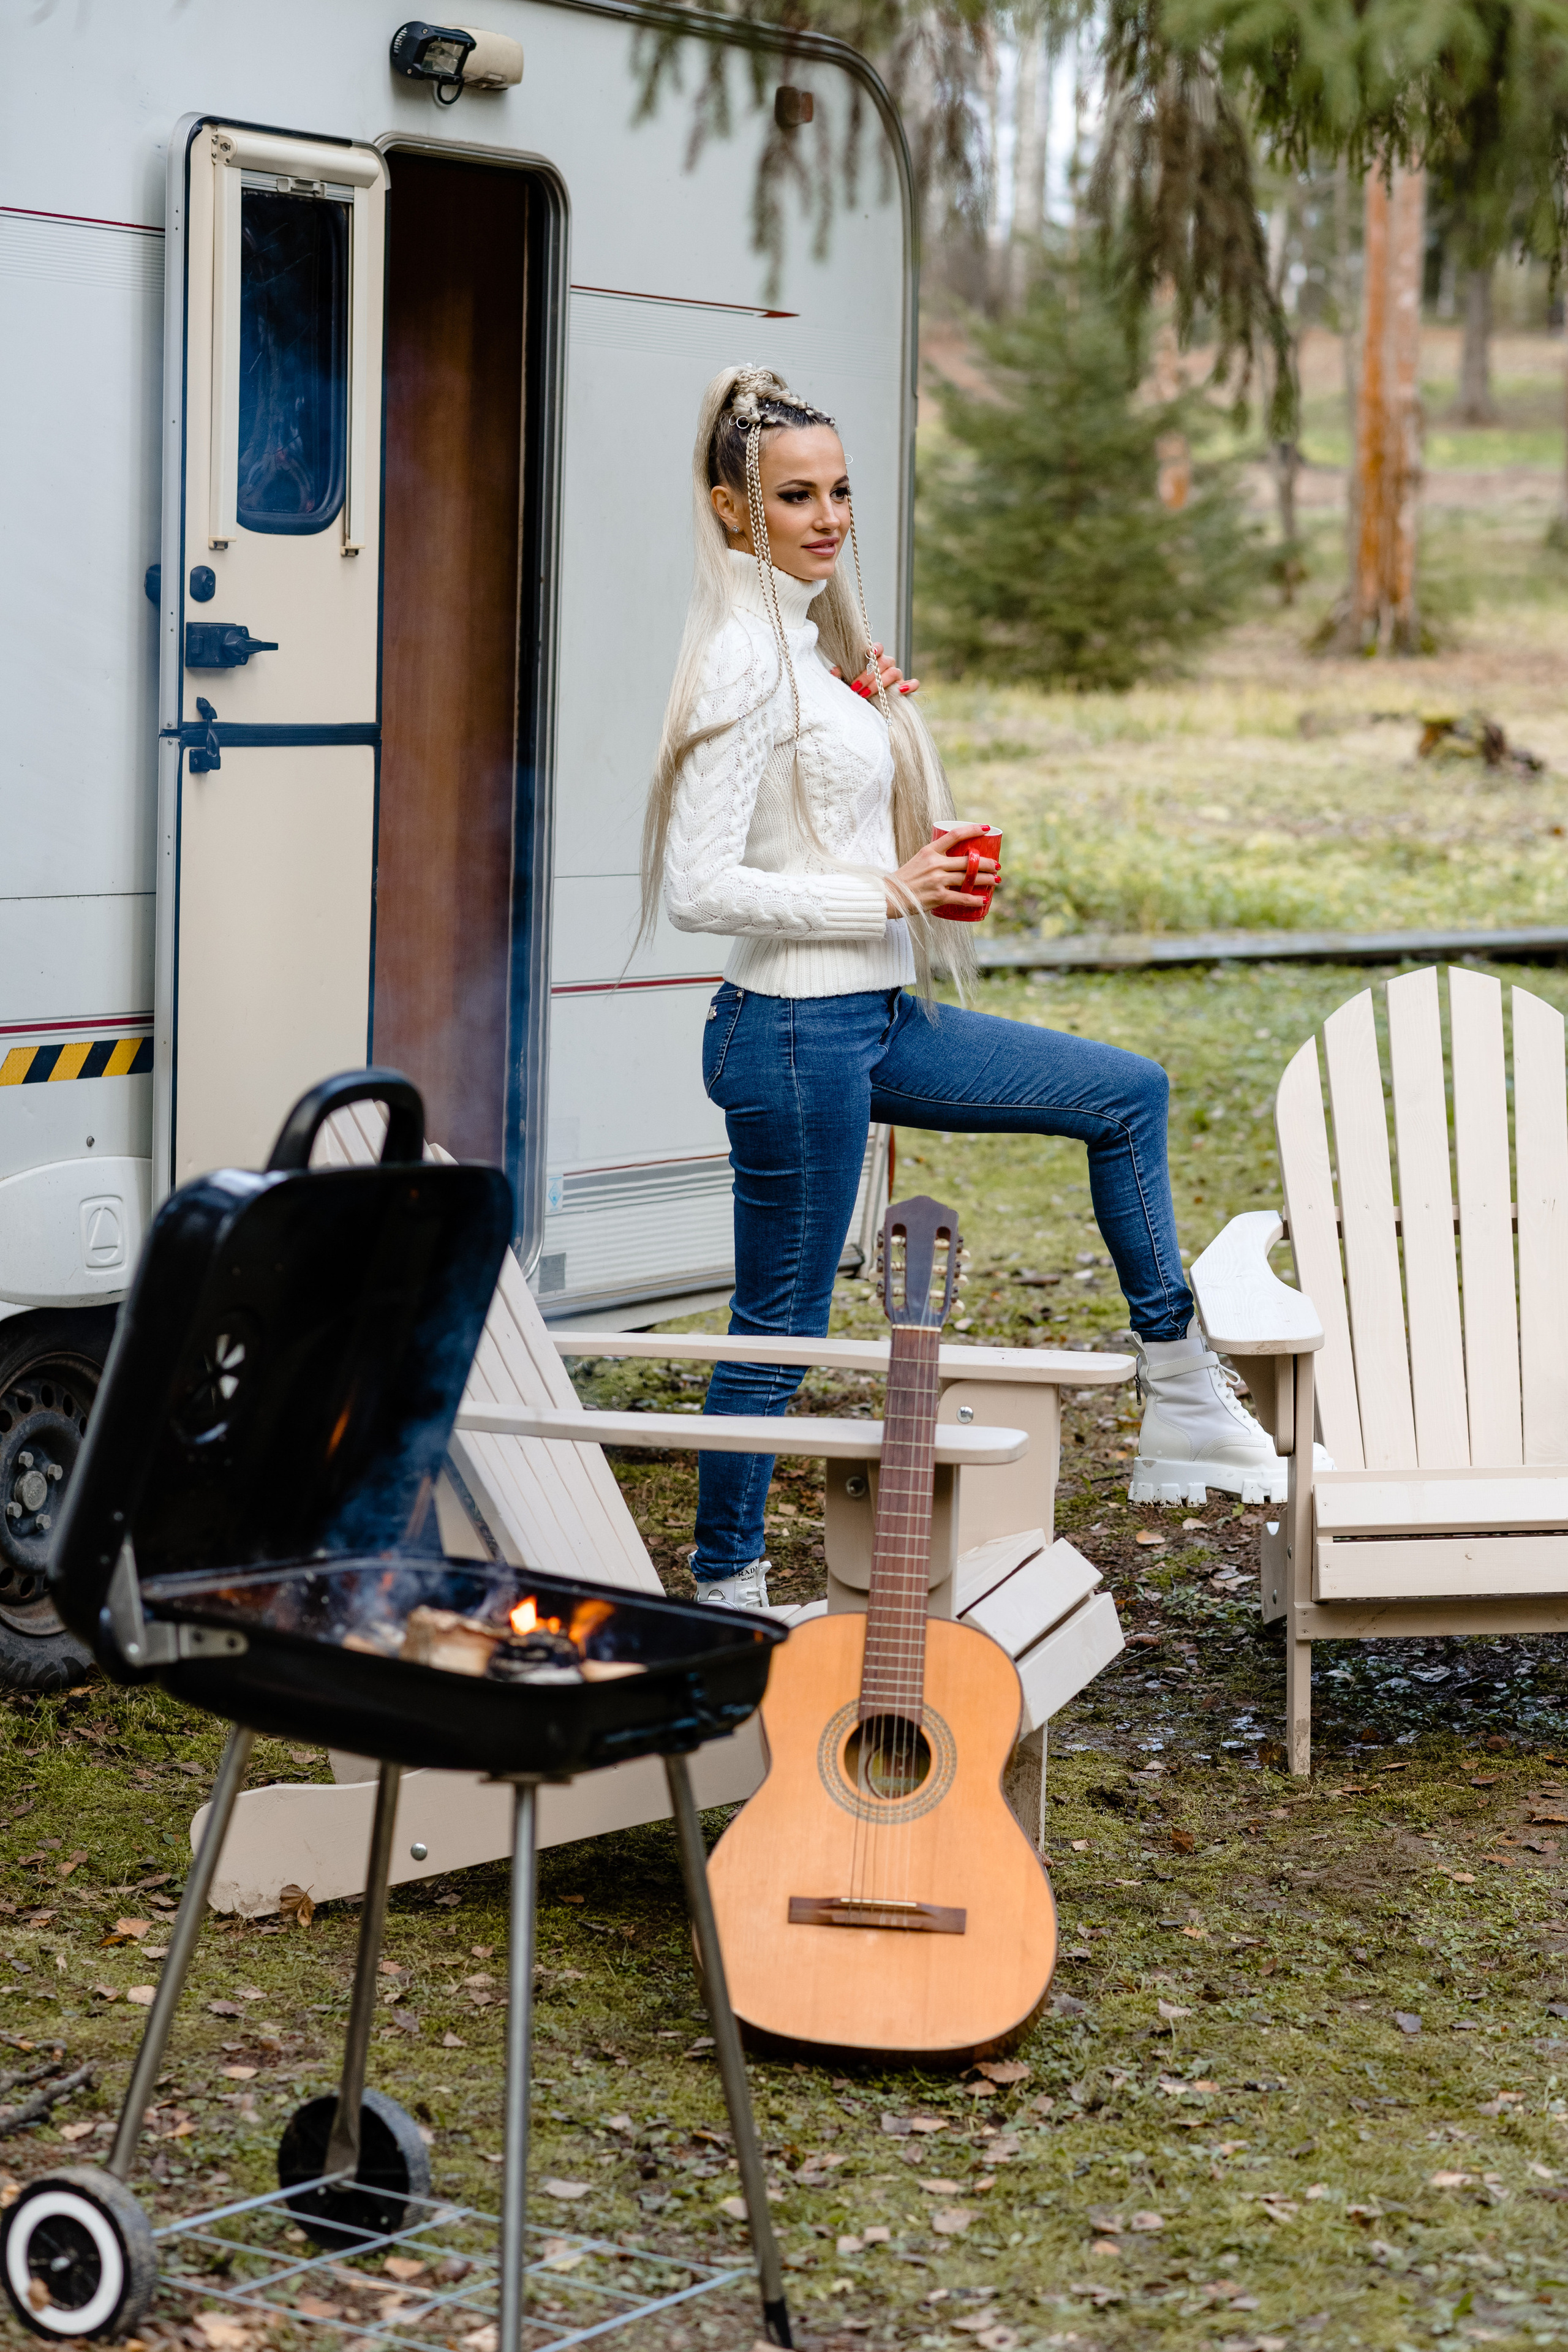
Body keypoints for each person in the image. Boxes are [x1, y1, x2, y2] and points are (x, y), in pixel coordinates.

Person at [640, 363, 1281, 1611]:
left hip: (871, 1019)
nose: (826, 517)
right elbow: (697, 885)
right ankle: (723, 1591)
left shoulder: (805, 644)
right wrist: (882, 894)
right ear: (731, 511)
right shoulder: (736, 659)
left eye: (835, 492)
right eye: (791, 498)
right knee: (775, 1329)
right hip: (787, 1032)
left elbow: (818, 811)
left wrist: (879, 722)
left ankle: (1179, 1386)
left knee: (1123, 1093)